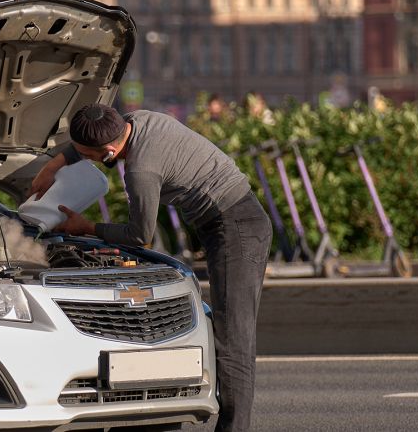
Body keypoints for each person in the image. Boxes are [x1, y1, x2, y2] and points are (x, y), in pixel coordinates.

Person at [31, 104, 272, 432]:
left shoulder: (141, 170)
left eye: (88, 156)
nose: (82, 158)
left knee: (233, 339)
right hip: (227, 221)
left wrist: (86, 227)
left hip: (238, 228)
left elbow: (140, 235)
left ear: (109, 152)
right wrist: (55, 164)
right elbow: (90, 143)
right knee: (223, 332)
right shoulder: (139, 120)